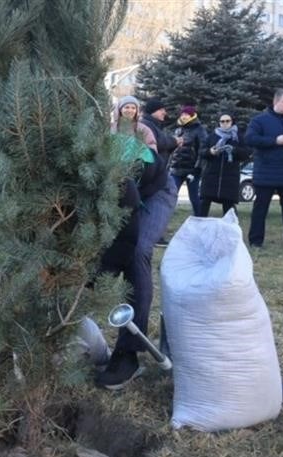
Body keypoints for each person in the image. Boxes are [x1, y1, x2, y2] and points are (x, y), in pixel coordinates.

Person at [96, 102, 178, 390]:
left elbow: (126, 236)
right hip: (127, 191)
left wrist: (104, 271)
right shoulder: (80, 162)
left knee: (138, 252)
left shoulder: (119, 161)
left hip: (155, 190)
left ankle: (128, 353)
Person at [245, 88, 283, 247]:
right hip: (267, 173)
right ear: (276, 102)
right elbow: (250, 138)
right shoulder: (260, 120)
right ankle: (256, 241)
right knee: (260, 210)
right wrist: (275, 141)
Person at [140, 97, 183, 247]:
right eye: (161, 109)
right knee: (156, 203)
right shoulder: (146, 125)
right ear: (153, 111)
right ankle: (154, 234)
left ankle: (155, 234)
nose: (165, 112)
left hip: (157, 172)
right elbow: (158, 142)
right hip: (152, 174)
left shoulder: (154, 125)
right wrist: (174, 141)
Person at [199, 113, 251, 216]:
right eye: (222, 121)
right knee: (203, 205)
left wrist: (234, 150)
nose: (225, 123)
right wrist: (210, 152)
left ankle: (231, 230)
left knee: (229, 209)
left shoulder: (238, 137)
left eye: (227, 121)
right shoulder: (212, 136)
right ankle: (199, 227)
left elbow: (247, 153)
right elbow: (201, 152)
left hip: (230, 178)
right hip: (211, 177)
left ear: (232, 122)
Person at [169, 105, 207, 216]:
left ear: (192, 116)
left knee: (194, 197)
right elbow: (174, 150)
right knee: (171, 194)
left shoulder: (199, 130)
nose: (184, 116)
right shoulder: (178, 129)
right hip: (176, 169)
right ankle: (166, 217)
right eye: (183, 114)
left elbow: (202, 150)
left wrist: (197, 169)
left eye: (186, 114)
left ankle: (200, 218)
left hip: (192, 170)